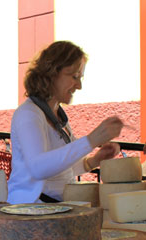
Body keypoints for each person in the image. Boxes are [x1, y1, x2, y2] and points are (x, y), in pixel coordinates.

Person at [8, 41, 124, 204]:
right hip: (30, 211)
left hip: (55, 207)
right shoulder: (29, 114)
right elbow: (38, 168)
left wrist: (93, 161)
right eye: (74, 77)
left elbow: (59, 170)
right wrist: (91, 140)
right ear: (52, 73)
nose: (79, 86)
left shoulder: (57, 115)